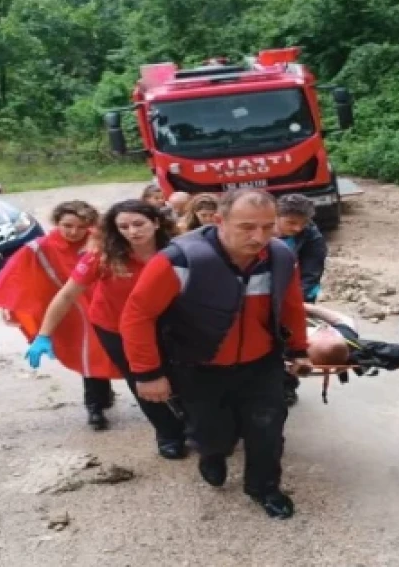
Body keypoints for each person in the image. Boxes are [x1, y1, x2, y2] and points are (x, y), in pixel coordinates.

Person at [119, 189, 312, 519]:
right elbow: (137, 316)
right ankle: (212, 454)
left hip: (260, 364)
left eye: (268, 227)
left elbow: (291, 306)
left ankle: (264, 487)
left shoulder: (279, 258)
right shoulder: (178, 260)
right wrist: (148, 373)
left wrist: (299, 350)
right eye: (247, 226)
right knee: (212, 433)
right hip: (198, 366)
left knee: (267, 428)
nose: (259, 237)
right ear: (220, 220)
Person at [24, 200, 189, 458]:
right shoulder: (102, 256)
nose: (132, 232)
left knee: (181, 375)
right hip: (115, 327)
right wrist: (43, 334)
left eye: (138, 224)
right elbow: (67, 295)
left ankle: (190, 420)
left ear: (155, 222)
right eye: (123, 226)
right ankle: (168, 433)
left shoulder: (180, 250)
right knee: (142, 380)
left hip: (166, 323)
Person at [0, 200, 121, 430]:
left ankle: (116, 399)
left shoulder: (103, 240)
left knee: (114, 352)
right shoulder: (40, 247)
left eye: (81, 226)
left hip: (105, 305)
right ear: (57, 223)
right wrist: (15, 308)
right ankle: (95, 405)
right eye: (67, 225)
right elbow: (16, 278)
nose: (74, 232)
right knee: (87, 354)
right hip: (69, 310)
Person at [276, 194, 329, 406]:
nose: (298, 228)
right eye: (291, 223)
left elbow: (312, 269)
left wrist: (300, 302)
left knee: (293, 343)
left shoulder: (311, 235)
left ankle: (288, 385)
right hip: (261, 294)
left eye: (302, 223)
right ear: (276, 216)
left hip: (296, 294)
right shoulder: (258, 231)